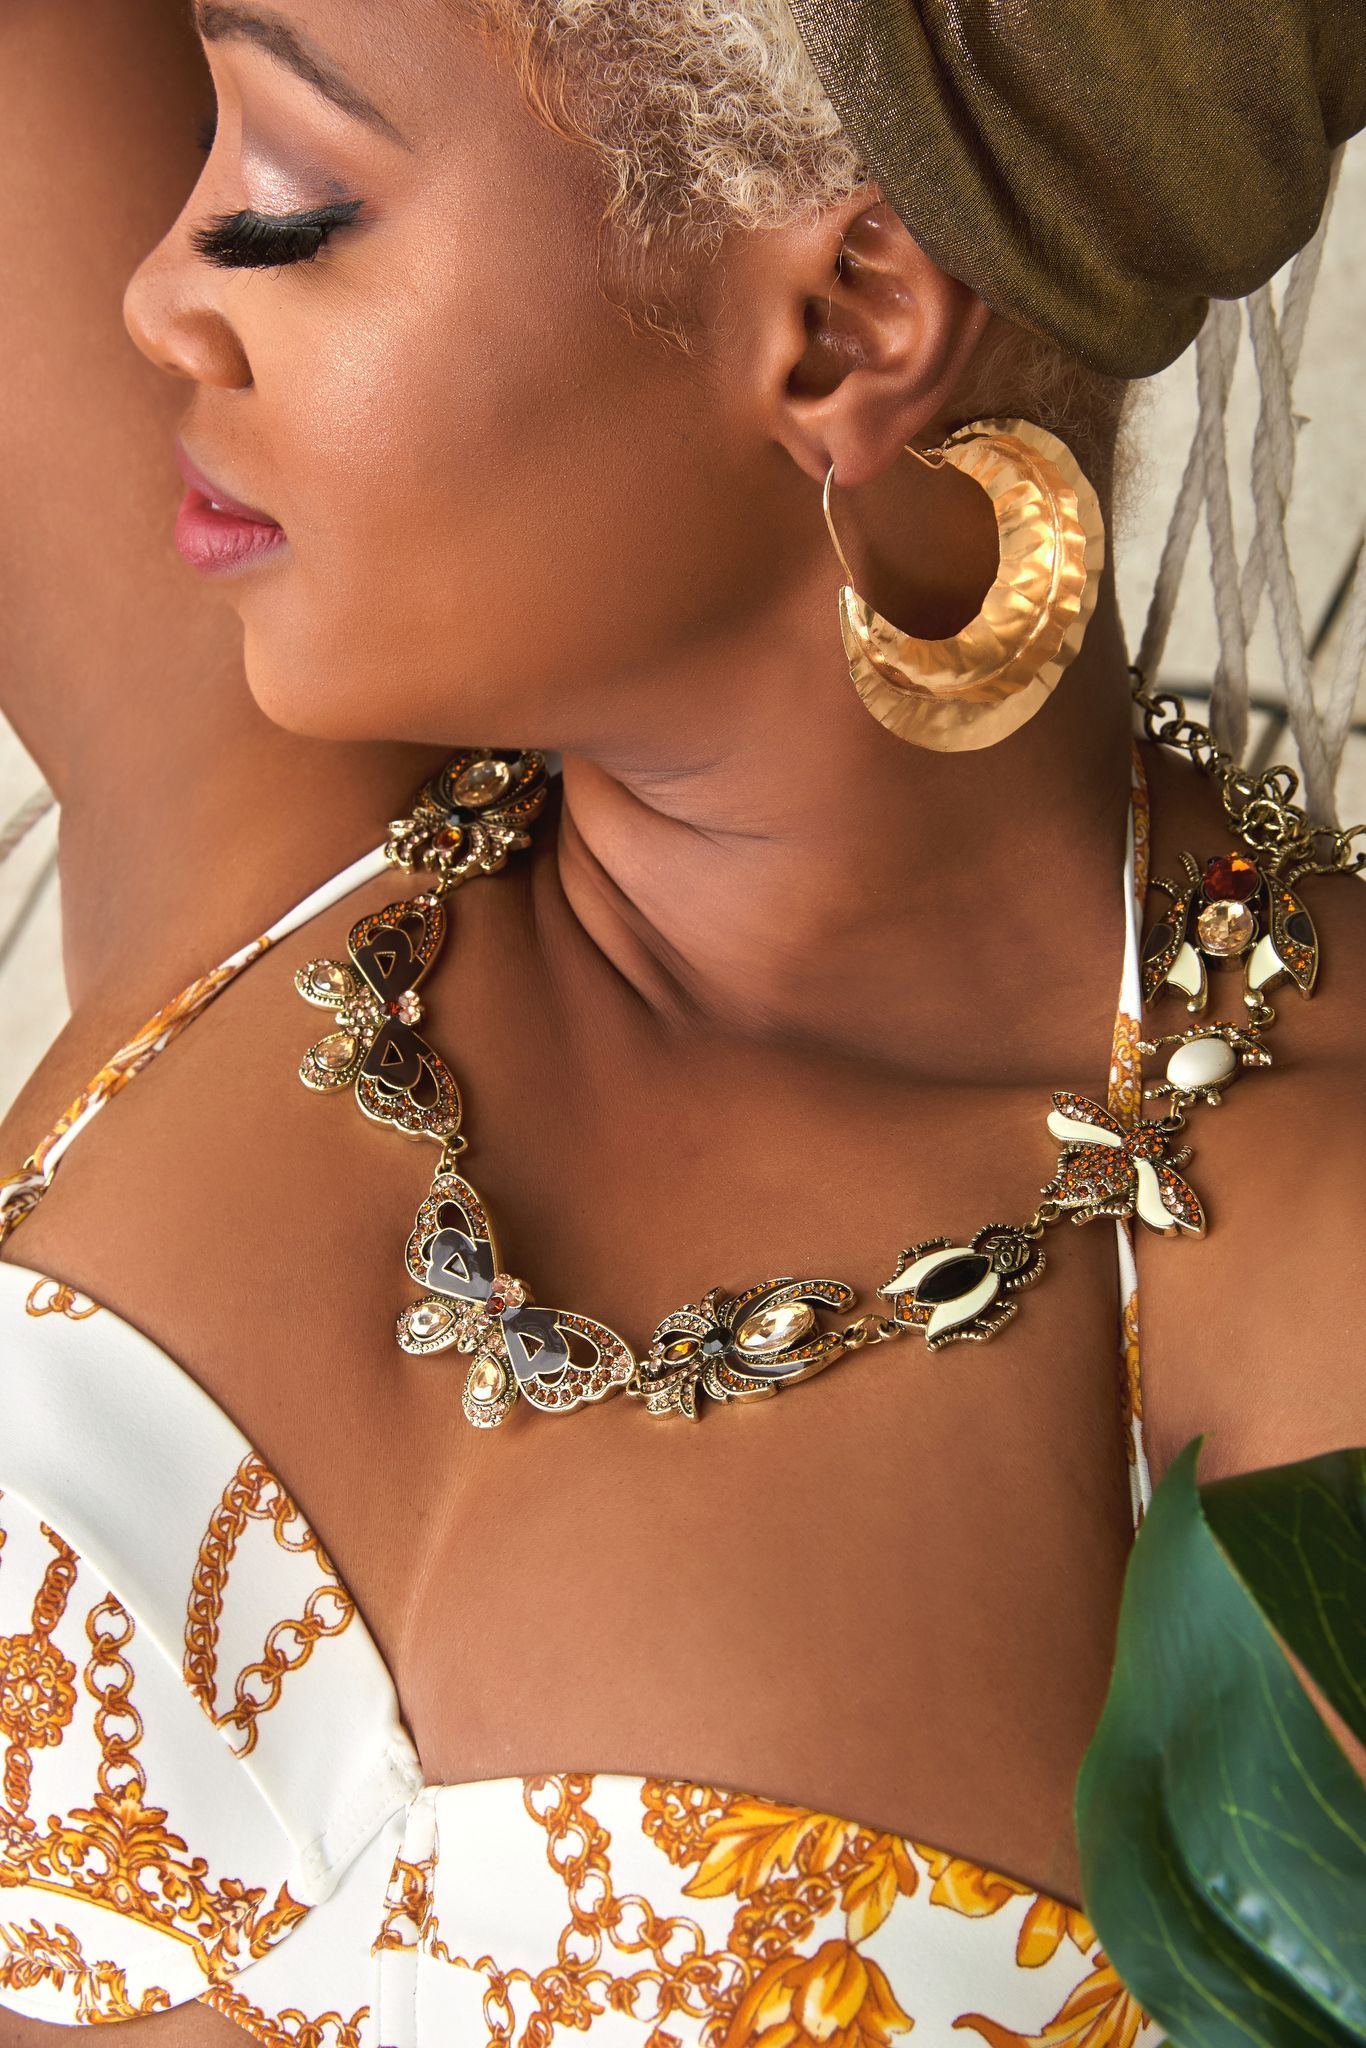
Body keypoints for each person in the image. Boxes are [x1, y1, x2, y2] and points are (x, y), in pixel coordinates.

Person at [0, 0, 1362, 2041]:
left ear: (841, 325)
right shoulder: (276, 822)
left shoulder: (1301, 1268)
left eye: (287, 209)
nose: (158, 297)